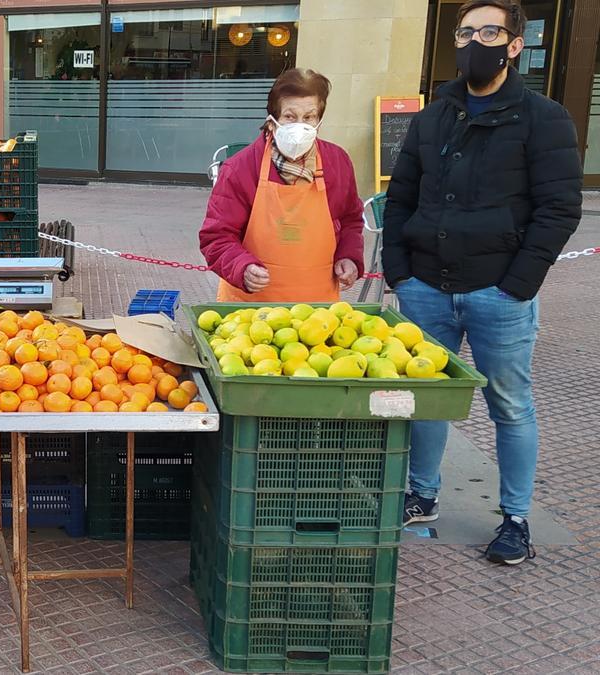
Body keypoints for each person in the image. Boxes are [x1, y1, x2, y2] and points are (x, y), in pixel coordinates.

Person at [382, 0, 582, 565]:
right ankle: (421, 494)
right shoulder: (433, 116)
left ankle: (515, 517)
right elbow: (400, 198)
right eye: (465, 32)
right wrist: (401, 272)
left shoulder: (545, 119)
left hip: (499, 292)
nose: (475, 43)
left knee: (510, 406)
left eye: (489, 32)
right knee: (425, 401)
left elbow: (559, 208)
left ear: (515, 44)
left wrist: (518, 284)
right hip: (425, 287)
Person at [200, 68, 364, 302]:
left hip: (317, 311)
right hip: (250, 310)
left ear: (319, 119)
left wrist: (349, 256)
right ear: (273, 120)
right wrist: (242, 268)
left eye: (309, 117)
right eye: (290, 116)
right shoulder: (241, 168)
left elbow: (351, 219)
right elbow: (216, 237)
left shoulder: (337, 162)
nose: (300, 125)